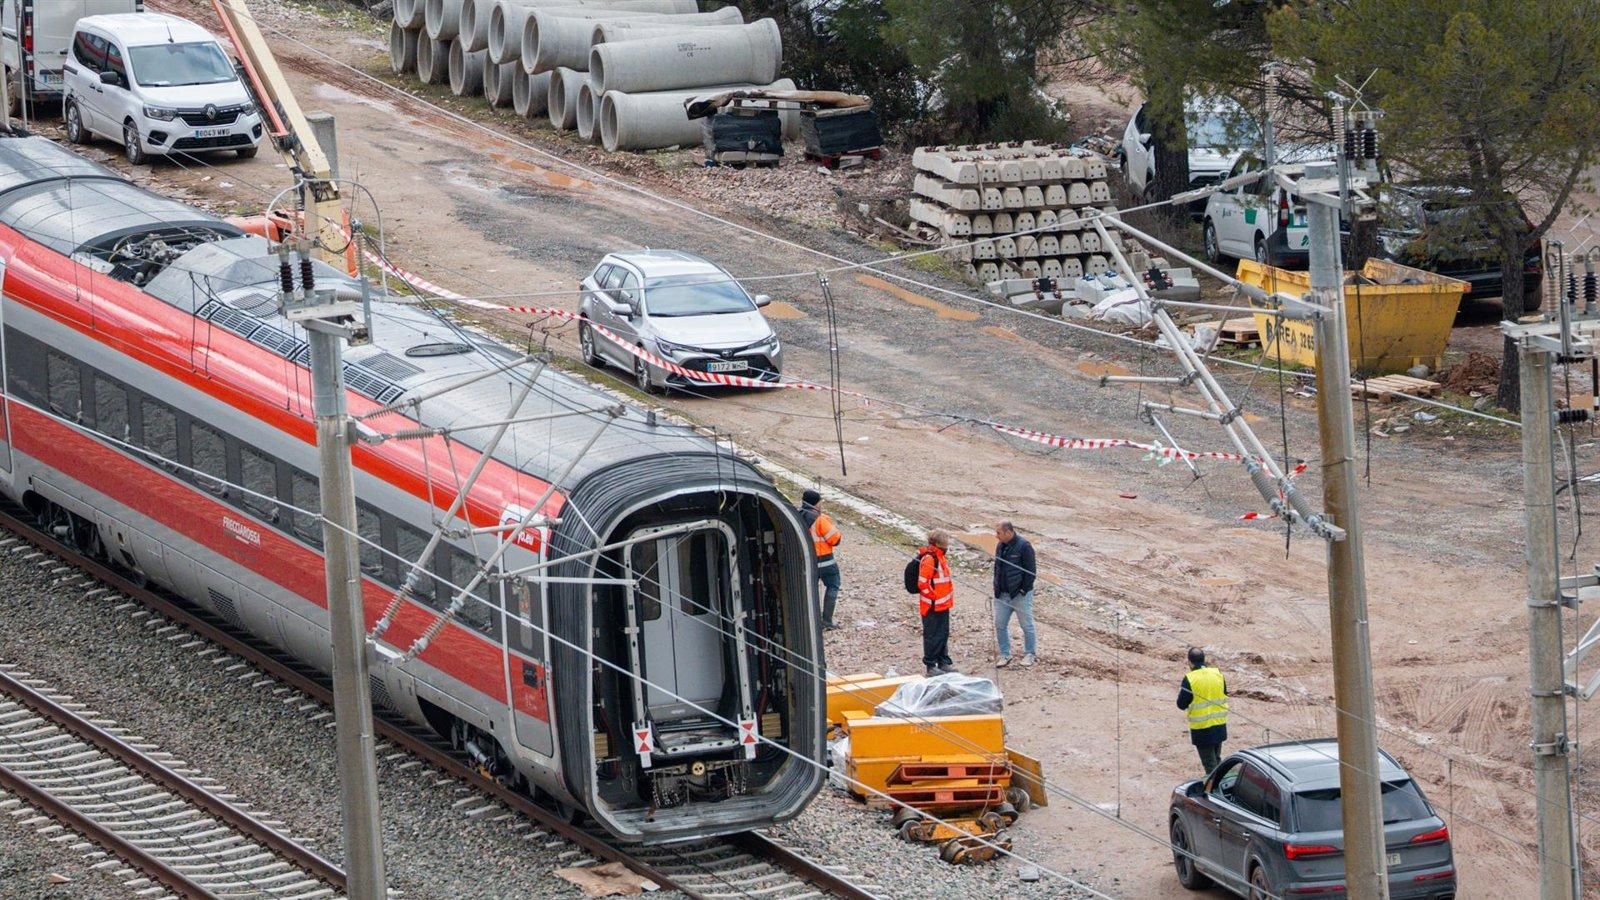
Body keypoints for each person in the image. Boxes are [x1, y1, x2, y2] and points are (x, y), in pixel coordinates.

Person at [1177, 647, 1229, 775]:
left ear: (1190, 662)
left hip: (1202, 729)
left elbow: (1181, 704)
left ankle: (1215, 791)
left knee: (1210, 766)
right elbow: (1224, 693)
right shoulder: (1217, 674)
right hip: (1219, 725)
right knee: (1217, 760)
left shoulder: (1190, 679)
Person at [992, 520, 1037, 668]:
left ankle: (1030, 653)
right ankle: (1005, 654)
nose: (996, 536)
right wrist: (996, 588)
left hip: (1020, 595)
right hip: (1002, 595)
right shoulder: (1000, 546)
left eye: (999, 533)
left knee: (1027, 625)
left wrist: (1024, 590)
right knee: (999, 624)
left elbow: (1031, 572)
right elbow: (997, 568)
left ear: (1008, 532)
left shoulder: (1024, 546)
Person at [798, 488, 842, 630]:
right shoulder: (820, 520)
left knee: (811, 590)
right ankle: (827, 620)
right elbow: (835, 539)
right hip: (826, 562)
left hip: (808, 563)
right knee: (833, 586)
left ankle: (811, 619)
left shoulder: (797, 516)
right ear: (816, 504)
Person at [917, 530, 957, 676]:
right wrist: (933, 598)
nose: (948, 544)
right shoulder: (930, 559)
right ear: (939, 543)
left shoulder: (940, 557)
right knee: (932, 635)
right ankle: (931, 665)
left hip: (943, 604)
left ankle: (943, 661)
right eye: (946, 541)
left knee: (943, 633)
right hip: (932, 605)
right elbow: (923, 583)